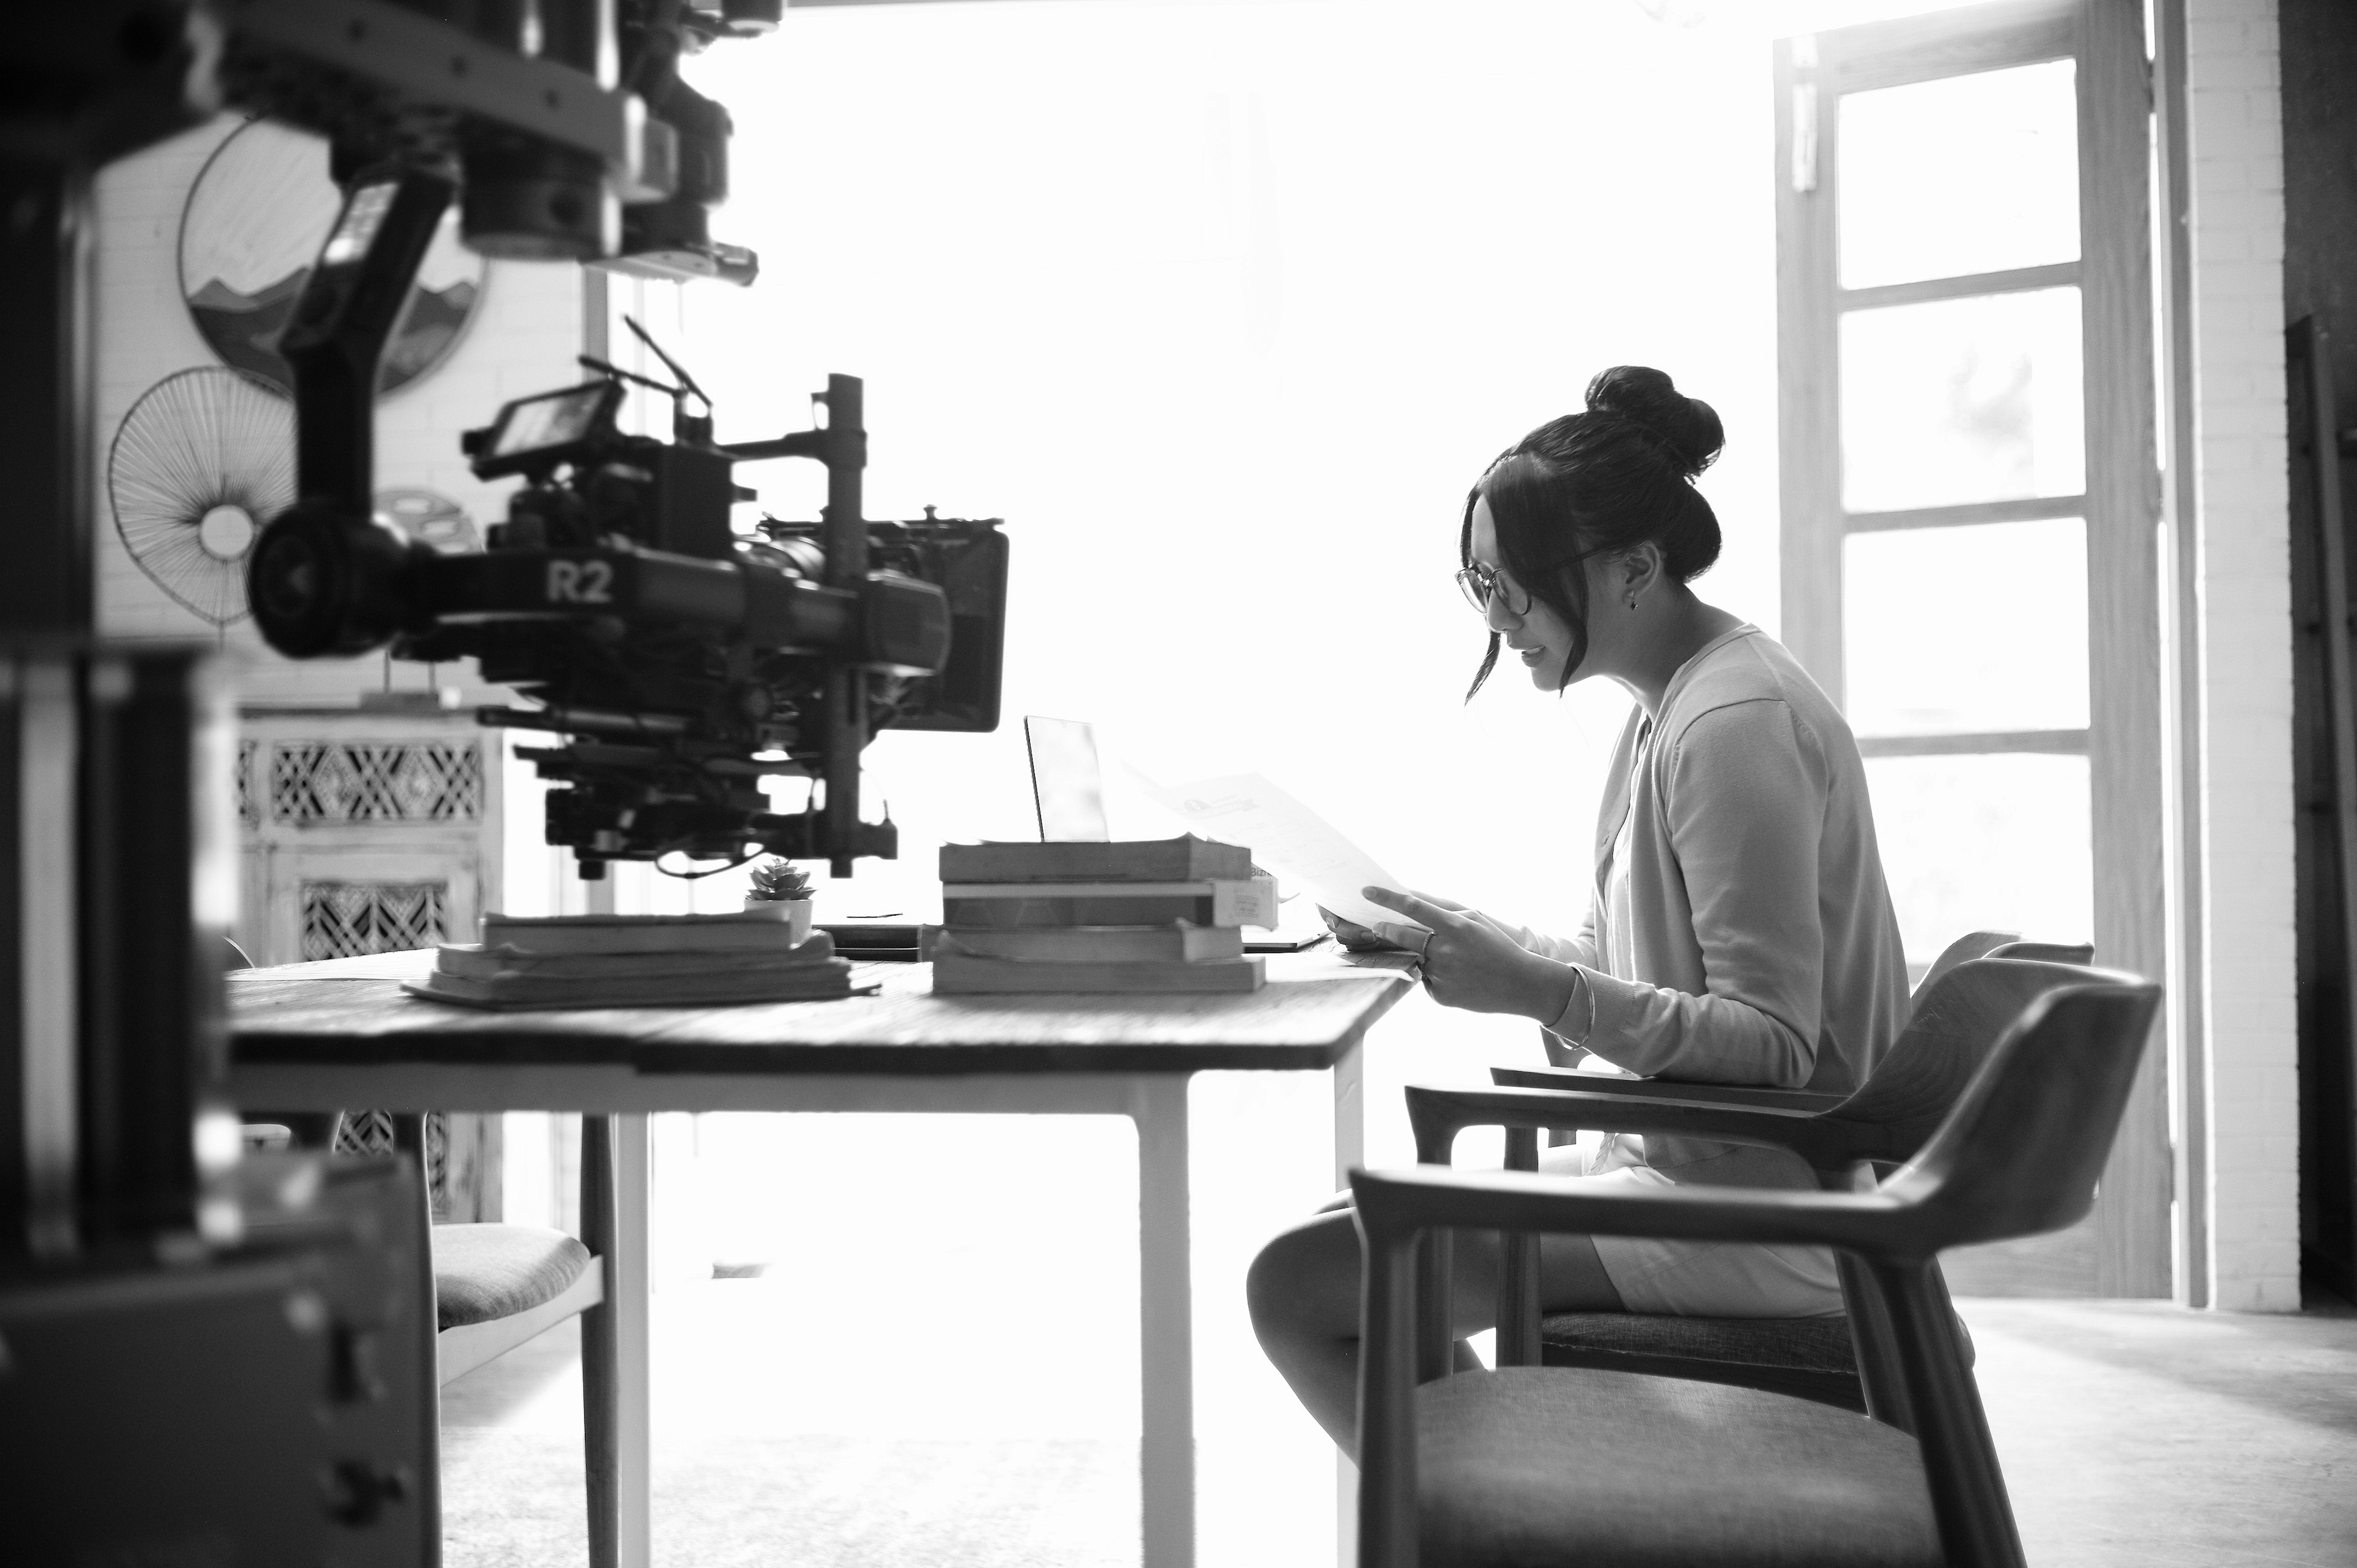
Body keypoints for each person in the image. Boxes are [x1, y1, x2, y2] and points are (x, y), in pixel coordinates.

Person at [1245, 365, 1911, 1456]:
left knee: (1299, 1284)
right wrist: (1473, 946)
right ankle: (1506, 1522)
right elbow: (1624, 966)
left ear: (1637, 568)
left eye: (1516, 586)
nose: (1499, 620)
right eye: (1479, 587)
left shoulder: (1732, 723)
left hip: (1776, 1213)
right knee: (1330, 1246)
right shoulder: (1668, 709)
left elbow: (1775, 1049)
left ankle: (1497, 1528)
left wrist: (1532, 988)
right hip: (1715, 1172)